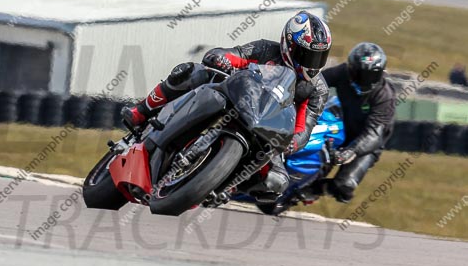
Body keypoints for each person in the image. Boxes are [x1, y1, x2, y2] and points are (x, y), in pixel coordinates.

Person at [121, 10, 332, 202]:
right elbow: (228, 54)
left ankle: (223, 187)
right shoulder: (266, 49)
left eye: (319, 57)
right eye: (307, 55)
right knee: (192, 71)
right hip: (235, 99)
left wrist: (291, 143)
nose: (312, 64)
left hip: (268, 129)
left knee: (276, 182)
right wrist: (221, 59)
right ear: (289, 45)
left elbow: (305, 127)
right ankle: (142, 111)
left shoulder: (317, 88)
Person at [315, 42, 396, 204]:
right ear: (351, 68)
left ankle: (317, 189)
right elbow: (317, 81)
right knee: (312, 158)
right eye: (358, 73)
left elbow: (374, 134)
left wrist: (351, 151)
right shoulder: (342, 72)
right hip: (341, 129)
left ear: (380, 73)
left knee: (344, 187)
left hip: (366, 144)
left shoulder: (384, 96)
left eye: (369, 76)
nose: (362, 80)